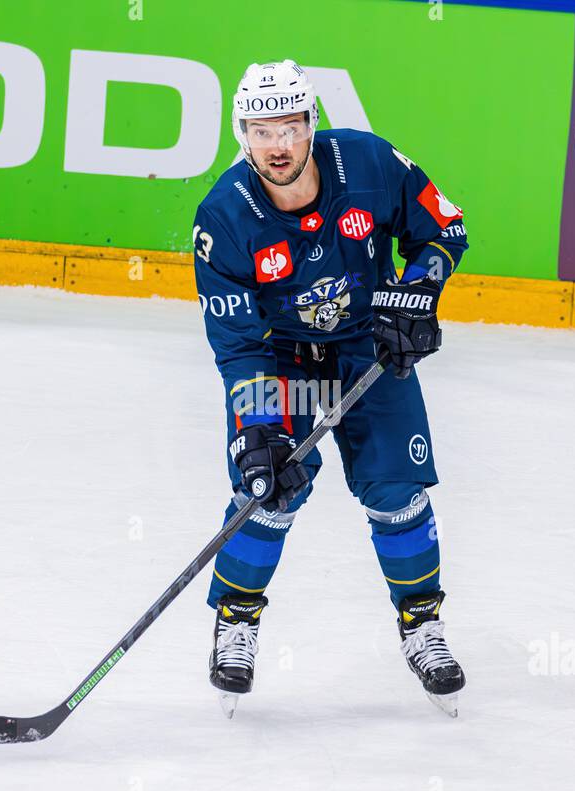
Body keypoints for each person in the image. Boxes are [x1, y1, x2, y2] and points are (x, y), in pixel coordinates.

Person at [191, 60, 469, 716]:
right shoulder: (224, 217)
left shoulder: (369, 164)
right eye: (263, 131)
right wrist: (257, 427)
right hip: (282, 361)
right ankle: (237, 620)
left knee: (396, 491)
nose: (279, 145)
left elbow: (444, 230)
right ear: (243, 135)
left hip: (367, 348)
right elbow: (238, 343)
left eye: (290, 125)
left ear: (311, 123)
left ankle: (421, 622)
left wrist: (418, 294)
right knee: (265, 489)